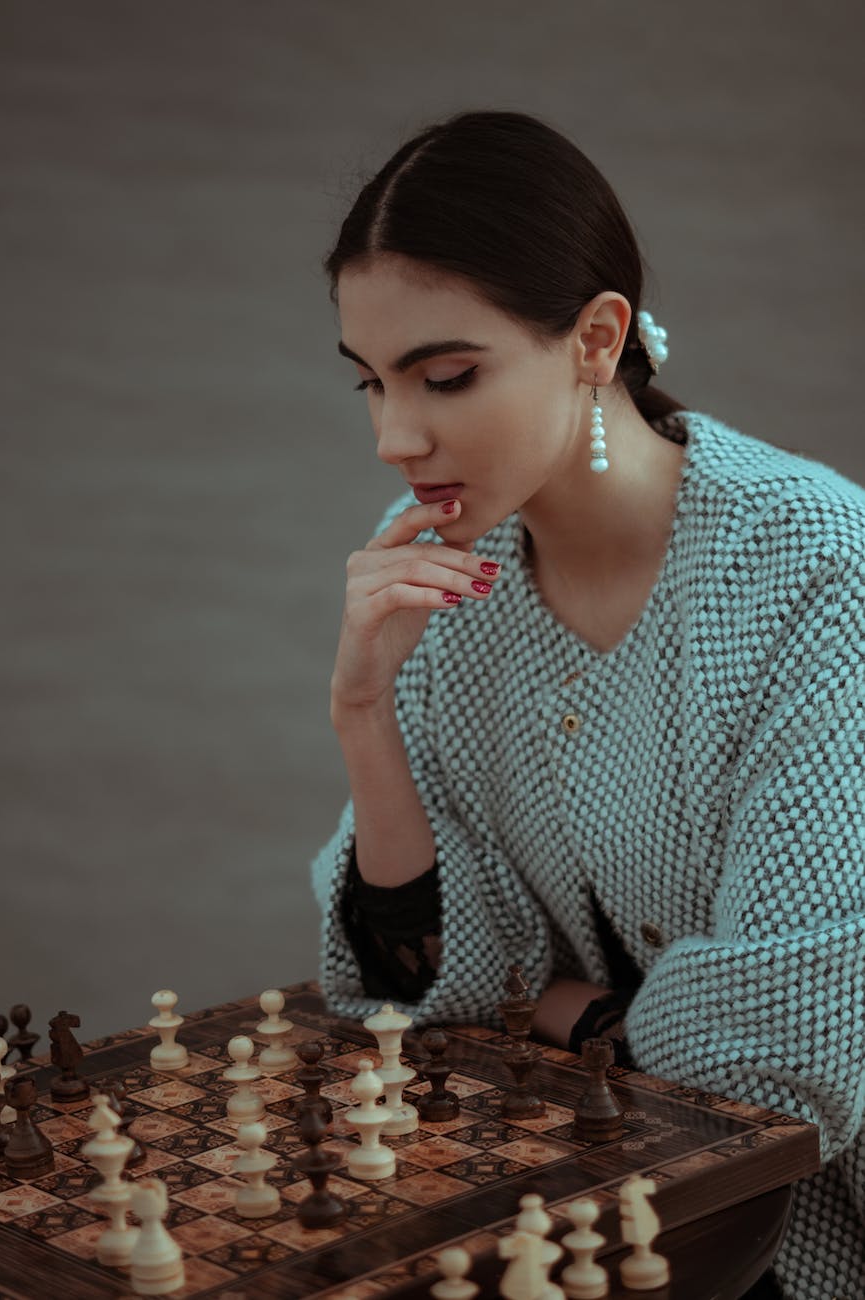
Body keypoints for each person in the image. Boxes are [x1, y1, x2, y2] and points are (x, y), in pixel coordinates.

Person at [310, 110, 864, 1299]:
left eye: (446, 375)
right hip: (580, 1207)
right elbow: (426, 995)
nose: (394, 435)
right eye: (370, 382)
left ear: (595, 338)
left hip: (804, 1227)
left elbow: (779, 1066)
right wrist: (363, 710)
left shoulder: (814, 564)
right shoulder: (443, 574)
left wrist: (563, 1007)